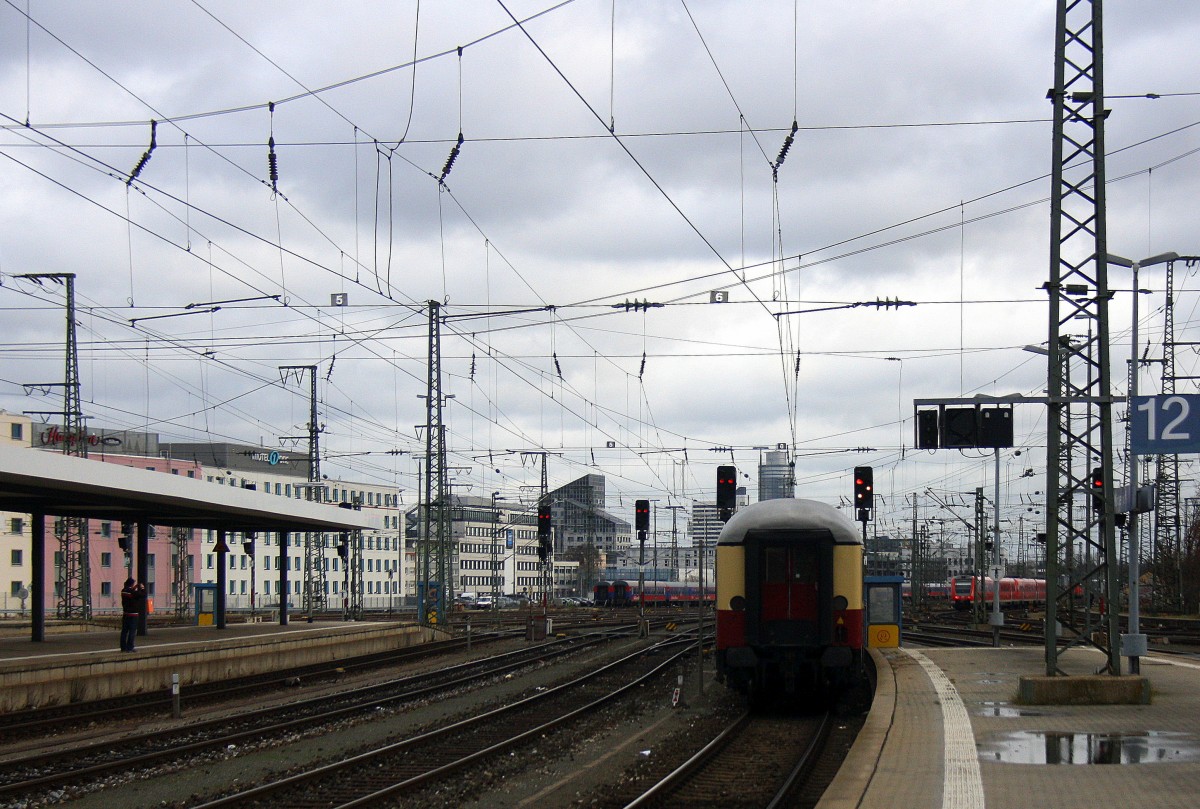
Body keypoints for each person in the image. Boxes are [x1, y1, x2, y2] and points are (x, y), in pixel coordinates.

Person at [120, 578, 145, 652]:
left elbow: (130, 591)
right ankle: (130, 647)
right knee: (132, 631)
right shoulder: (133, 593)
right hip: (133, 615)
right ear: (132, 584)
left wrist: (134, 587)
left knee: (124, 631)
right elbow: (143, 595)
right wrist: (142, 588)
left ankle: (123, 647)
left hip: (125, 614)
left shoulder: (123, 591)